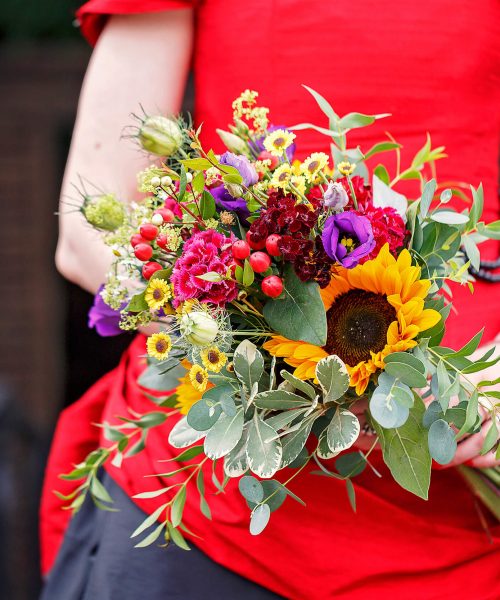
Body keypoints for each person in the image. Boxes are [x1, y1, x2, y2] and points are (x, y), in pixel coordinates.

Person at [40, 1, 500, 598]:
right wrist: (301, 362)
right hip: (216, 523)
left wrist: (472, 383)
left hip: (468, 511)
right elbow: (91, 231)